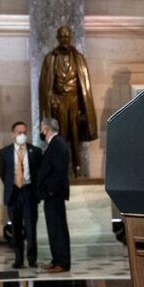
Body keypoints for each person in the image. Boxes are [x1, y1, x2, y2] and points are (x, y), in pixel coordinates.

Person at [38, 25, 98, 177]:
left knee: (75, 134)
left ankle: (78, 168)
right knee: (61, 135)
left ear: (71, 38)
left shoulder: (79, 58)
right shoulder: (50, 58)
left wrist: (85, 110)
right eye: (62, 37)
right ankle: (62, 169)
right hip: (58, 101)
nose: (65, 40)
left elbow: (84, 85)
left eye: (67, 36)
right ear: (57, 38)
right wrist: (51, 99)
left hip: (75, 100)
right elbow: (45, 85)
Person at [0, 121, 42, 268]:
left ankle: (32, 258)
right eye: (19, 132)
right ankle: (18, 259)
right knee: (16, 228)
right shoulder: (4, 152)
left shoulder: (35, 151)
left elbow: (38, 173)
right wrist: (13, 185)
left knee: (30, 227)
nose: (22, 135)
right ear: (13, 134)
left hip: (29, 193)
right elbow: (3, 173)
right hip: (13, 194)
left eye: (25, 132)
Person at [35, 117, 71, 273]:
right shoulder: (54, 144)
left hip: (54, 194)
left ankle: (62, 263)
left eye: (42, 128)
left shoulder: (57, 144)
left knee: (58, 228)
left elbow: (59, 170)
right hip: (51, 195)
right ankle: (56, 259)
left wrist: (50, 190)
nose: (41, 131)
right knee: (53, 228)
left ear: (46, 129)